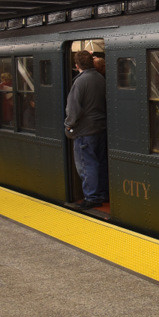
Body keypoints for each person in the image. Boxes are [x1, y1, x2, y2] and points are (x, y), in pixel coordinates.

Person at [65, 50, 108, 209]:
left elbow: (73, 109)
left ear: (77, 65)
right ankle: (102, 193)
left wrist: (69, 125)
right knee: (100, 163)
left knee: (86, 164)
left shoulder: (80, 82)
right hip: (100, 127)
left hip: (85, 131)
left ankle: (92, 197)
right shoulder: (100, 78)